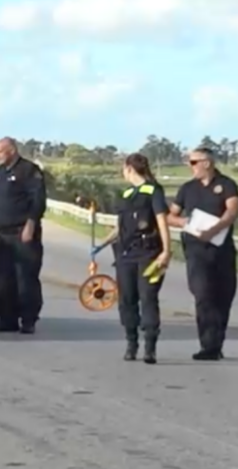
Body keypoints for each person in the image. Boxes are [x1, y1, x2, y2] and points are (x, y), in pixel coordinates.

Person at [94, 153, 172, 363]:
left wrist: (166, 251)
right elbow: (119, 228)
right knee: (127, 300)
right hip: (126, 254)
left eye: (123, 168)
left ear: (129, 169)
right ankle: (131, 342)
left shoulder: (154, 191)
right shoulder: (126, 195)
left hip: (150, 253)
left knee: (148, 297)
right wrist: (101, 244)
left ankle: (150, 347)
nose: (122, 173)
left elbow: (162, 221)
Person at [167, 147, 238, 361]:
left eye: (193, 162)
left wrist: (214, 230)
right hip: (196, 251)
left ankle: (216, 344)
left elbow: (232, 211)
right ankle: (207, 345)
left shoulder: (226, 185)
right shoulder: (187, 189)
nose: (190, 167)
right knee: (203, 294)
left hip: (222, 248)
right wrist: (184, 222)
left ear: (206, 163)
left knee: (223, 296)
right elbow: (171, 216)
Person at [0, 137, 47, 334]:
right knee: (2, 279)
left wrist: (31, 224)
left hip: (22, 233)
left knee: (25, 278)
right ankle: (6, 319)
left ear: (11, 151)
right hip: (2, 235)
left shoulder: (29, 170)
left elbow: (38, 200)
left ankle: (28, 320)